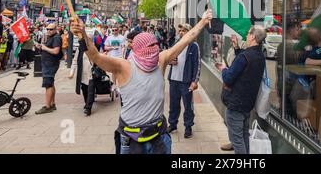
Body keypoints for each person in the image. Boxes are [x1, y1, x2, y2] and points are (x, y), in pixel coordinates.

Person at [70, 10, 213, 154]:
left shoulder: (161, 60)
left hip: (159, 136)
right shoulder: (124, 66)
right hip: (131, 138)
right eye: (149, 46)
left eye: (154, 45)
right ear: (138, 48)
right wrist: (82, 33)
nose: (154, 49)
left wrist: (203, 20)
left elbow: (187, 39)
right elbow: (95, 56)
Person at [216, 26, 266, 154]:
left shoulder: (245, 56)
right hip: (247, 103)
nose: (246, 35)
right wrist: (237, 48)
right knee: (243, 136)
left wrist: (223, 69)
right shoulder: (260, 55)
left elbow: (228, 78)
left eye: (248, 33)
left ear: (253, 37)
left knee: (237, 140)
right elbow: (246, 67)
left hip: (236, 103)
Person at [167, 23, 201, 139]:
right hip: (174, 80)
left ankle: (188, 126)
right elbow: (168, 58)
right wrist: (170, 61)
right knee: (173, 104)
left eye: (184, 30)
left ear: (190, 32)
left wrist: (195, 81)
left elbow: (197, 64)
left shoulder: (194, 46)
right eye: (180, 30)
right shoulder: (176, 44)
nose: (181, 32)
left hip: (186, 81)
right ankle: (172, 124)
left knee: (188, 106)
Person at [34, 23, 62, 115]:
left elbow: (56, 51)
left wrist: (45, 48)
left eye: (51, 29)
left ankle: (47, 106)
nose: (49, 31)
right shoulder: (51, 37)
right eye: (47, 29)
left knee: (48, 84)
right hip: (47, 63)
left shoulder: (56, 38)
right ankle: (52, 104)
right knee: (50, 83)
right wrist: (40, 46)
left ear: (55, 29)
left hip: (50, 64)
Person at [69, 29, 98, 116]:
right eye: (86, 38)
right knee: (84, 89)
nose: (87, 40)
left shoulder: (94, 48)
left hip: (91, 73)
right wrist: (72, 72)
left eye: (89, 38)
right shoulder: (80, 49)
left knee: (91, 90)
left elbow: (99, 59)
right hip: (82, 73)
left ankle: (88, 108)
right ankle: (87, 103)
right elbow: (75, 60)